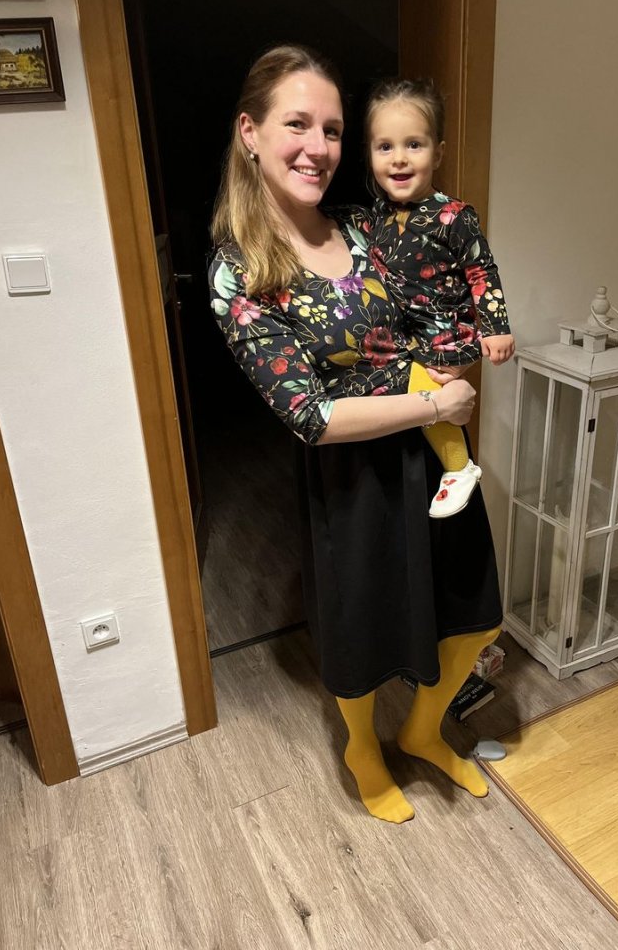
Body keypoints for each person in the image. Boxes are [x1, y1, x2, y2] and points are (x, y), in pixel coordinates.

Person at [209, 45, 503, 824]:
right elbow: (310, 416)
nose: (319, 147)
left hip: (436, 463)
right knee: (363, 632)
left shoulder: (366, 225)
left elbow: (440, 303)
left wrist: (472, 344)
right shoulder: (239, 272)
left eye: (334, 130)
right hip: (355, 479)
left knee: (476, 615)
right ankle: (363, 749)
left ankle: (423, 732)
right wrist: (434, 408)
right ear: (250, 132)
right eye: (298, 124)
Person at [366, 77, 515, 519]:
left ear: (438, 153)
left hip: (446, 332)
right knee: (406, 387)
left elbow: (482, 270)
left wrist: (497, 327)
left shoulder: (453, 216)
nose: (399, 158)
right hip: (405, 333)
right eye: (385, 146)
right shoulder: (377, 214)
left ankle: (458, 467)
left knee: (424, 386)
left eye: (413, 144)